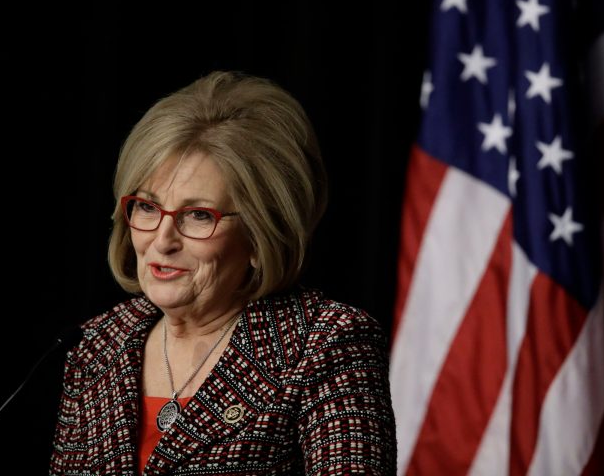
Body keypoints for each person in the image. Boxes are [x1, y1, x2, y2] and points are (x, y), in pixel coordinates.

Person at [49, 71, 397, 475]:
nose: (162, 240)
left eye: (198, 215)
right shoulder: (96, 346)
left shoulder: (325, 343)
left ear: (261, 232)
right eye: (146, 206)